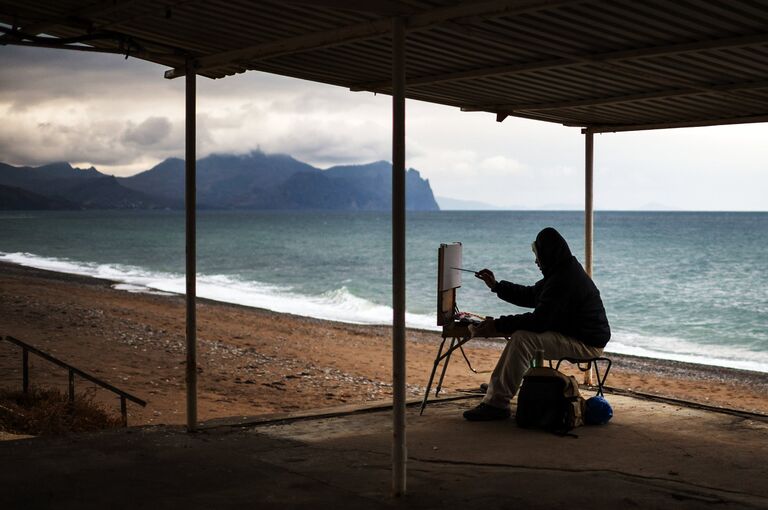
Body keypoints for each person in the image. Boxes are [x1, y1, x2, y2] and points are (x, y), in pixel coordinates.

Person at [463, 227, 611, 421]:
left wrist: (498, 325)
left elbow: (538, 321)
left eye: (537, 255)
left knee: (523, 339)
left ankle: (497, 403)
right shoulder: (561, 270)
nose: (536, 261)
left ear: (547, 253)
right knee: (521, 336)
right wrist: (497, 286)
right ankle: (499, 388)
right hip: (577, 335)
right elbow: (531, 295)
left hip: (587, 344)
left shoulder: (564, 279)